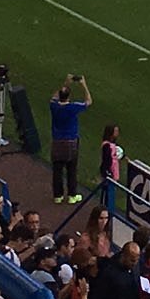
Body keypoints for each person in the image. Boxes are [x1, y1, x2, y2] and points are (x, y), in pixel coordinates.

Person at [48, 74, 91, 205]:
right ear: (69, 96)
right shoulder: (73, 107)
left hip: (57, 142)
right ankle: (72, 195)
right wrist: (84, 85)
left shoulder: (54, 106)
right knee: (71, 169)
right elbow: (88, 101)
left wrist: (66, 83)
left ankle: (58, 195)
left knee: (57, 170)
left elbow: (53, 97)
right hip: (71, 142)